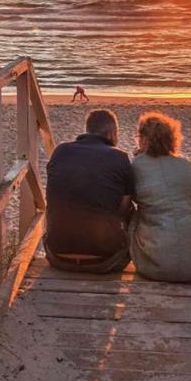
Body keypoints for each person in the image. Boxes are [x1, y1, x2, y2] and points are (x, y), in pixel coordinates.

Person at [128, 112, 191, 282]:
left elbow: (130, 198)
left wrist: (139, 157)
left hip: (154, 266)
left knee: (132, 212)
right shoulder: (188, 167)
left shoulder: (137, 166)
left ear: (143, 139)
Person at [44, 108, 134, 273]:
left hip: (57, 255)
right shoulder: (120, 157)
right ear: (113, 133)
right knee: (132, 209)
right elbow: (123, 209)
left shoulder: (60, 152)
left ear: (88, 130)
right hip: (105, 260)